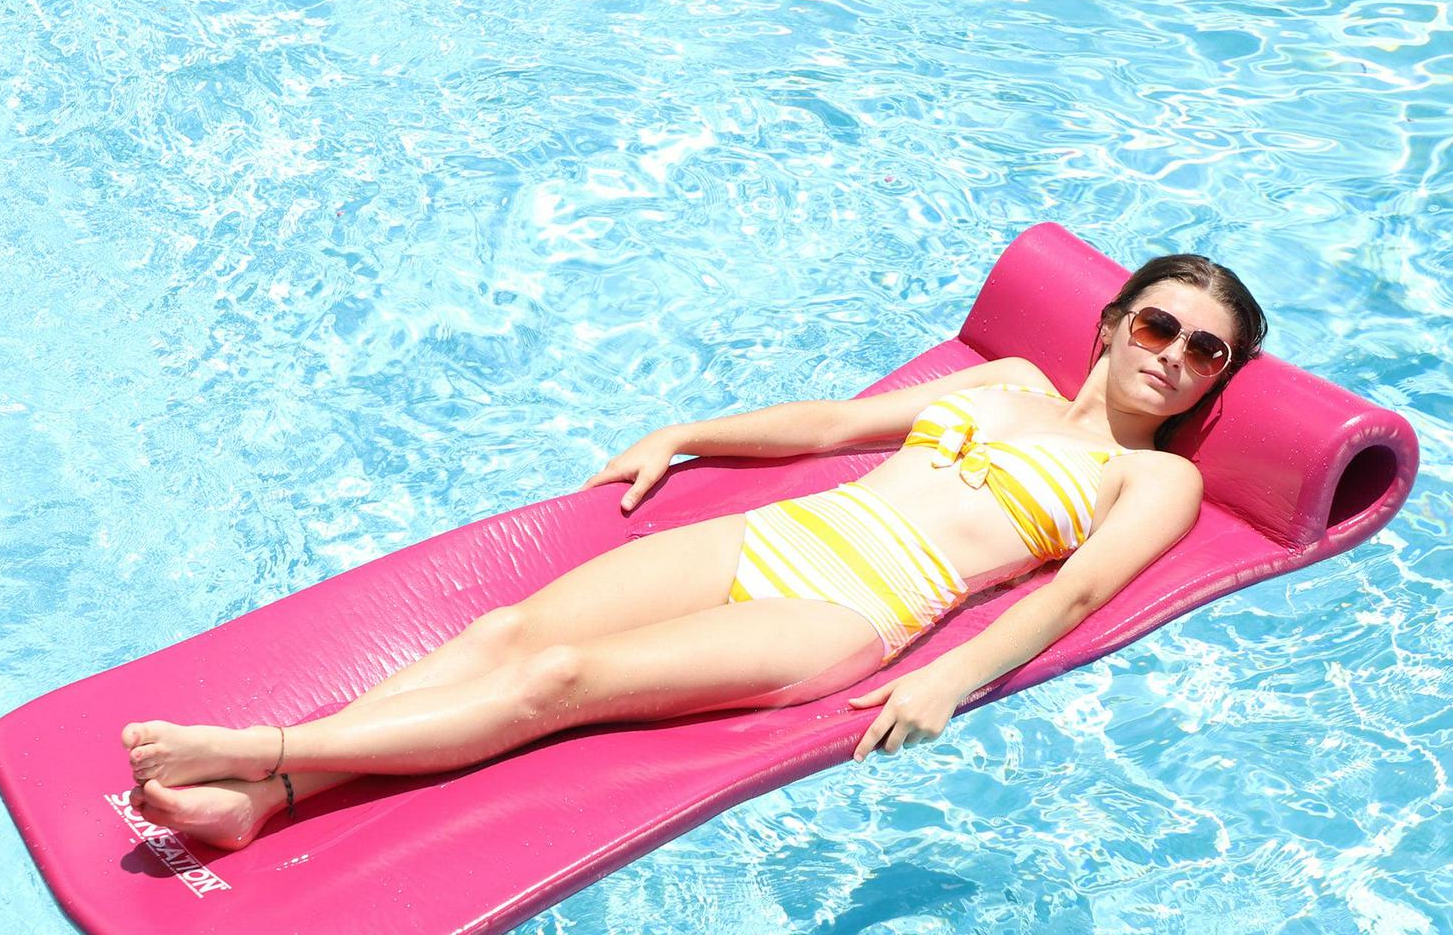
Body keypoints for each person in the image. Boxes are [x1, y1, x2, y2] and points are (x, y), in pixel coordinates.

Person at [121, 253, 1267, 851]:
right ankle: (269, 798)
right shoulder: (1005, 382)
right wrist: (686, 434)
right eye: (1158, 325)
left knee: (556, 679)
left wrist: (949, 680)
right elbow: (832, 426)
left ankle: (266, 749)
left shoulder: (1157, 478)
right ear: (1113, 323)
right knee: (503, 632)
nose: (1173, 356)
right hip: (776, 535)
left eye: (1205, 353)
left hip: (850, 610)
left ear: (1213, 380)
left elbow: (1078, 594)